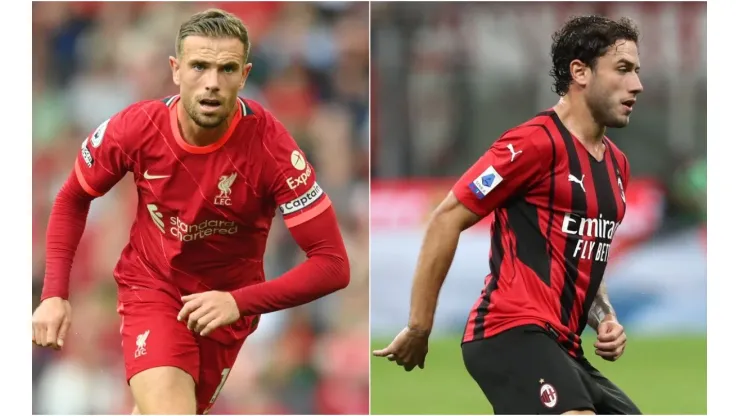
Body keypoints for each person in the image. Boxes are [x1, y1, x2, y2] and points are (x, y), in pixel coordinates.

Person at [32, 8, 351, 415]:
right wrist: (54, 294)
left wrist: (239, 302)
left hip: (226, 313)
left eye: (226, 69)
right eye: (199, 66)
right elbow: (73, 196)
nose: (212, 83)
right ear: (176, 70)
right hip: (154, 288)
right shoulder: (135, 128)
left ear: (245, 75)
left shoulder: (273, 149)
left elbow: (333, 264)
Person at [373, 15, 644, 415]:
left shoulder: (617, 167)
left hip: (563, 345)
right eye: (622, 69)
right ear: (580, 72)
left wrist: (604, 316)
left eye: (637, 71)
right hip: (509, 331)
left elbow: (584, 264)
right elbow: (447, 217)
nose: (636, 84)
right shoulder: (532, 143)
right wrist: (419, 326)